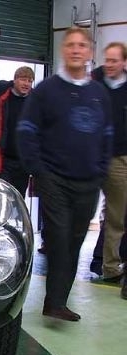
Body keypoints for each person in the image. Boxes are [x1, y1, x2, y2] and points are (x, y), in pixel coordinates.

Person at [17, 26, 113, 321]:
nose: (76, 49)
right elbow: (26, 131)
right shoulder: (46, 91)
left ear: (90, 52)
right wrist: (39, 171)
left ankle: (57, 302)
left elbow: (107, 134)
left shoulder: (98, 94)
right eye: (70, 44)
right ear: (63, 50)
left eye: (82, 45)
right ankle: (55, 302)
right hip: (54, 179)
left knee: (74, 241)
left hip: (88, 182)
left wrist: (101, 171)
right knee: (58, 239)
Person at [88, 42, 127, 300]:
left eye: (115, 60)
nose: (110, 64)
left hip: (121, 157)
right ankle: (109, 266)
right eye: (108, 60)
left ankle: (110, 265)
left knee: (116, 215)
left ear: (124, 62)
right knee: (114, 216)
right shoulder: (96, 84)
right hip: (105, 157)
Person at [0, 66, 35, 198]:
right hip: (4, 160)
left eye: (30, 81)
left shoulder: (35, 102)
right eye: (23, 79)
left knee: (18, 199)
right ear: (15, 80)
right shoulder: (2, 97)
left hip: (24, 162)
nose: (26, 84)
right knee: (2, 197)